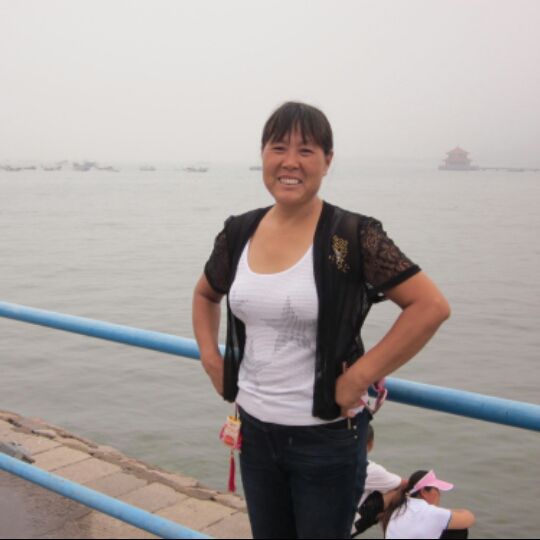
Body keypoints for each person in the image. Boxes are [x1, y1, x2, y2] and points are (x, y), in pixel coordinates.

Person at [192, 101, 451, 539]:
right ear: (263, 155)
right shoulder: (239, 232)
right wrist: (211, 359)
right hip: (253, 431)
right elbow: (204, 294)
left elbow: (430, 306)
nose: (290, 162)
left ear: (327, 161)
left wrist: (359, 377)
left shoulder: (350, 236)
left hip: (326, 439)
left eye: (306, 150)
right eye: (278, 148)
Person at [382, 470, 475, 539]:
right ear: (424, 492)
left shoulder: (399, 507)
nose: (440, 494)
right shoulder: (430, 513)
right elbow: (469, 518)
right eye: (437, 489)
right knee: (459, 530)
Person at [353, 424, 407, 536]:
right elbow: (405, 484)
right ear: (370, 445)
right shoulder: (369, 469)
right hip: (339, 529)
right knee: (397, 492)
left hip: (316, 522)